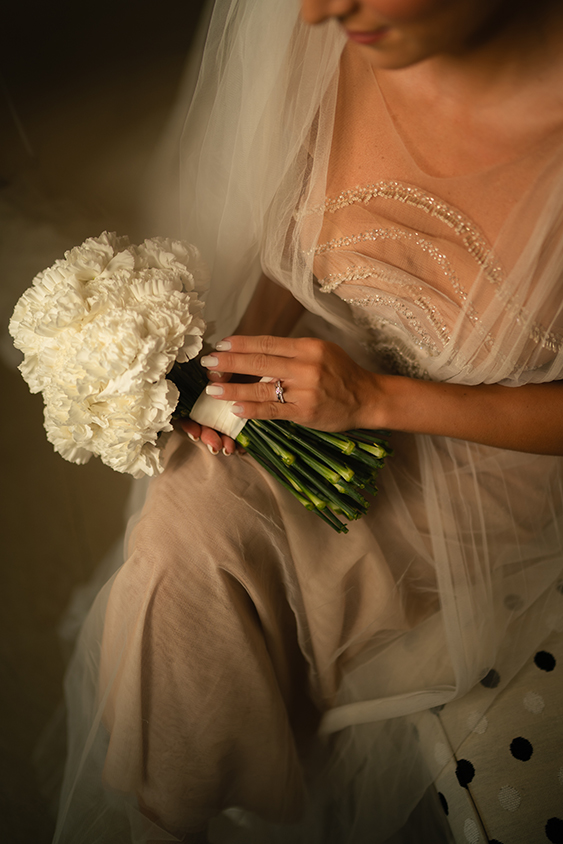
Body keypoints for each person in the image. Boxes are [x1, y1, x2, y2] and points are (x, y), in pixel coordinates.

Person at [53, 0, 563, 842]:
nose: (321, 8)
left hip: (485, 459)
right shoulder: (338, 39)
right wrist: (229, 368)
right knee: (184, 520)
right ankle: (169, 814)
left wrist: (374, 402)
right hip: (326, 374)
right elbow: (293, 239)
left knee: (269, 588)